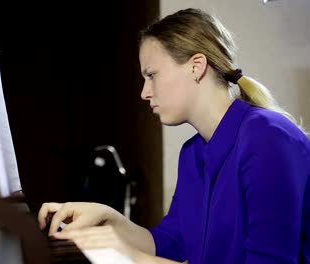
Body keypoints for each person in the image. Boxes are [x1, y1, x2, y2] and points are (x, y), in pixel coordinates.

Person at [37, 8, 310, 264]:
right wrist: (110, 221)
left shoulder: (268, 138)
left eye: (152, 75)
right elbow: (172, 242)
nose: (144, 92)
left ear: (196, 66)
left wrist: (135, 259)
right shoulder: (192, 153)